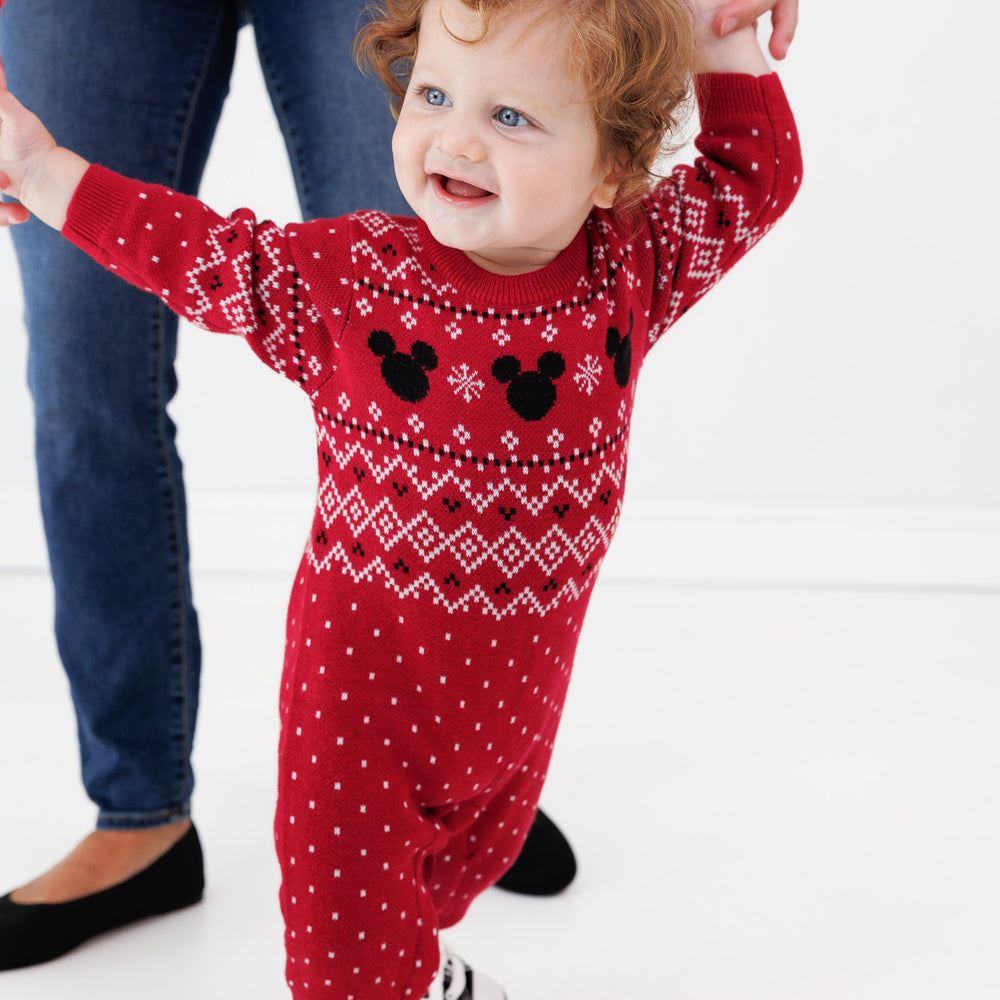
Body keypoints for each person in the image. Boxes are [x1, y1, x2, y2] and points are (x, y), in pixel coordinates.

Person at [0, 0, 801, 995]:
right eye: (431, 94)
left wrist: (723, 37)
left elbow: (749, 178)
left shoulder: (630, 270)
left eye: (512, 118)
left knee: (432, 900)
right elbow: (194, 249)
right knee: (346, 962)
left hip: (510, 734)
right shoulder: (349, 283)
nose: (455, 136)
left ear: (609, 169)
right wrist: (41, 170)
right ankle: (164, 834)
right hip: (357, 723)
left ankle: (422, 965)